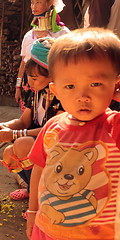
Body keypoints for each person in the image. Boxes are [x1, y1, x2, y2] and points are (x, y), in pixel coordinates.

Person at [26, 28, 120, 239]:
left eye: (96, 84)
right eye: (70, 86)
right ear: (56, 90)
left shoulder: (114, 126)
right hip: (47, 229)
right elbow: (39, 171)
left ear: (116, 85)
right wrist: (32, 211)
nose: (82, 96)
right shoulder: (52, 127)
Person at [0, 38, 63, 202]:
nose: (30, 82)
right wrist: (4, 126)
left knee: (21, 144)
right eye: (29, 77)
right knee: (8, 154)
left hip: (57, 145)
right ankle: (31, 188)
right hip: (35, 139)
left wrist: (15, 134)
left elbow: (52, 130)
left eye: (35, 78)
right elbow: (24, 121)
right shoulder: (35, 92)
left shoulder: (63, 96)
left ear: (52, 75)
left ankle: (38, 198)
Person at [15, 0, 69, 112]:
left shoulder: (62, 33)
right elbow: (23, 63)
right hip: (30, 82)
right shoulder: (29, 36)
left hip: (52, 84)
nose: (34, 6)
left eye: (38, 2)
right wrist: (18, 87)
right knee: (29, 116)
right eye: (32, 3)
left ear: (50, 3)